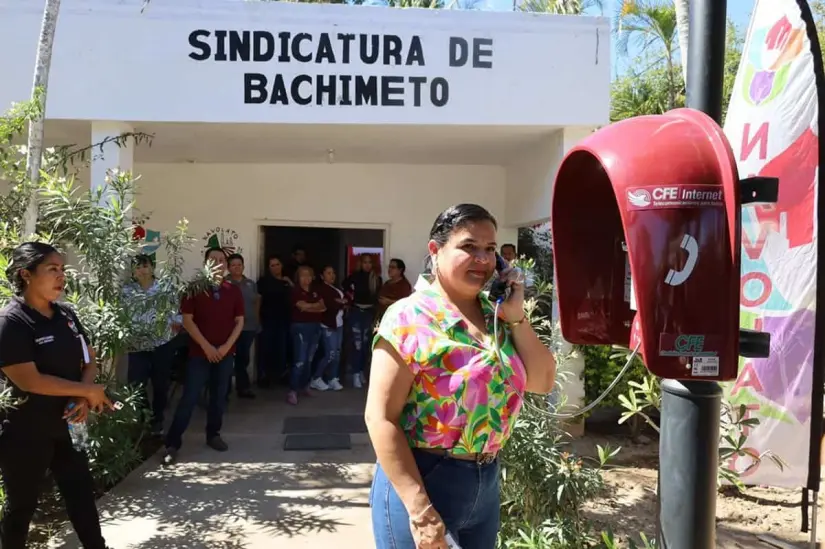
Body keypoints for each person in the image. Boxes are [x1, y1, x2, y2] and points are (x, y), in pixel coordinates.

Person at [365, 204, 556, 549]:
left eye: (490, 250)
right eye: (469, 247)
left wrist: (516, 316)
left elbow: (542, 381)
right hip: (423, 480)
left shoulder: (497, 315)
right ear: (435, 251)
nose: (482, 259)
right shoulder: (409, 317)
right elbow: (380, 418)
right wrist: (420, 510)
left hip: (485, 482)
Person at [0, 242, 113, 549]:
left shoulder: (65, 315)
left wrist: (82, 396)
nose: (61, 276)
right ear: (26, 274)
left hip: (68, 424)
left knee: (81, 496)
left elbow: (88, 359)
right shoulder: (12, 321)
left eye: (62, 269)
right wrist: (87, 391)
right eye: (52, 269)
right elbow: (29, 380)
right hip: (26, 431)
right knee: (21, 508)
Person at [162, 247, 244, 464]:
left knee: (219, 397)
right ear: (206, 263)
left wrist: (226, 347)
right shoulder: (194, 289)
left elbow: (239, 322)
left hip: (225, 354)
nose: (218, 262)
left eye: (221, 259)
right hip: (200, 354)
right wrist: (207, 347)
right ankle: (172, 443)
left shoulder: (233, 290)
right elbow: (187, 320)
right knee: (189, 398)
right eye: (213, 259)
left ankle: (213, 435)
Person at [123, 254, 183, 436]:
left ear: (152, 267)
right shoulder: (127, 290)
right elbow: (121, 312)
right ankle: (143, 418)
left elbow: (177, 311)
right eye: (137, 267)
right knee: (136, 384)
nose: (141, 270)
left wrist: (175, 325)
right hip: (136, 345)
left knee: (160, 384)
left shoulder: (165, 287)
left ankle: (157, 419)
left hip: (161, 343)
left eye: (144, 266)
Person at [287, 265, 325, 405]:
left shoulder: (316, 290)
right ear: (298, 277)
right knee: (300, 360)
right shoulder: (295, 291)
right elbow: (300, 306)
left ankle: (305, 386)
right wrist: (314, 306)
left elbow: (323, 307)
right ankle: (293, 390)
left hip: (315, 327)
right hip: (300, 328)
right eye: (303, 275)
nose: (306, 278)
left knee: (309, 359)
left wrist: (309, 307)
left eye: (309, 275)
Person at [342, 254, 381, 389]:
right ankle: (355, 373)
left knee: (366, 345)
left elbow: (376, 298)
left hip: (369, 314)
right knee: (357, 345)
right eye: (365, 262)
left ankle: (360, 371)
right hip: (356, 312)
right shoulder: (354, 277)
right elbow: (344, 289)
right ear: (360, 263)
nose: (367, 265)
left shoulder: (376, 278)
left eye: (370, 262)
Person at [226, 253, 259, 399]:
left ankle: (243, 388)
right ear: (228, 268)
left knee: (243, 358)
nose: (237, 267)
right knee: (227, 359)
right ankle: (224, 389)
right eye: (233, 265)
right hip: (229, 328)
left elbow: (256, 302)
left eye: (239, 264)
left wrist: (258, 321)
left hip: (248, 327)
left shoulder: (251, 284)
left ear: (243, 266)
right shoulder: (224, 283)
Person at [256, 255, 293, 388]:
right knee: (266, 348)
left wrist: (289, 282)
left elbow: (296, 296)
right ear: (268, 268)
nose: (276, 267)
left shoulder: (286, 281)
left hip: (284, 320)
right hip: (268, 320)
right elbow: (258, 301)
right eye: (272, 265)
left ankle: (281, 375)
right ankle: (263, 376)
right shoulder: (264, 281)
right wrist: (257, 319)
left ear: (281, 265)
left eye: (277, 264)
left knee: (282, 349)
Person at [310, 265, 348, 392]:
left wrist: (341, 302)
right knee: (330, 354)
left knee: (337, 353)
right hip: (328, 325)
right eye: (328, 273)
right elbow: (328, 305)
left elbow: (346, 301)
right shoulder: (321, 289)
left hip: (339, 324)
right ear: (322, 276)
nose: (332, 275)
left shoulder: (336, 288)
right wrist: (339, 302)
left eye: (333, 273)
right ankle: (316, 378)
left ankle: (333, 378)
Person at [376, 258, 413, 322]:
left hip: (395, 320)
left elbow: (406, 303)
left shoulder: (404, 285)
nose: (389, 269)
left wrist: (389, 301)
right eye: (389, 267)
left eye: (393, 267)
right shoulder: (387, 283)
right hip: (383, 317)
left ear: (400, 270)